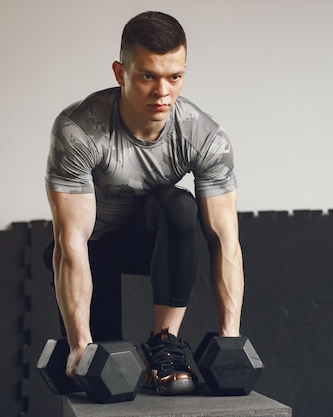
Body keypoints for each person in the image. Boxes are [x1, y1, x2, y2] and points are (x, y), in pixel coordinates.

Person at [44, 10, 244, 396]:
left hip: (152, 247)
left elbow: (225, 241)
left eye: (175, 77)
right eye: (148, 76)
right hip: (93, 251)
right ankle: (88, 339)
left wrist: (230, 339)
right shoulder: (79, 129)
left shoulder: (204, 136)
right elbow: (71, 242)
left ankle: (165, 343)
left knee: (180, 205)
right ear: (120, 73)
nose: (162, 92)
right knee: (96, 377)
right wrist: (78, 342)